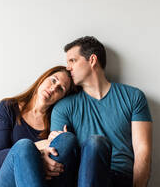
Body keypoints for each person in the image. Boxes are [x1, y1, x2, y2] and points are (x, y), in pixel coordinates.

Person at [50, 36, 153, 187]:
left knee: (96, 142)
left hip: (120, 178)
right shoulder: (63, 107)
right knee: (94, 143)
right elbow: (57, 157)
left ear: (92, 60)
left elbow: (142, 151)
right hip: (81, 178)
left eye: (72, 61)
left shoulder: (133, 97)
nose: (68, 68)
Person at [0, 66, 79, 187]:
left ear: (62, 98)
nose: (53, 88)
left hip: (39, 182)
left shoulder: (56, 121)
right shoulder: (8, 107)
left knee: (66, 139)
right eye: (53, 80)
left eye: (60, 89)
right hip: (6, 182)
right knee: (24, 146)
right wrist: (39, 149)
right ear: (43, 79)